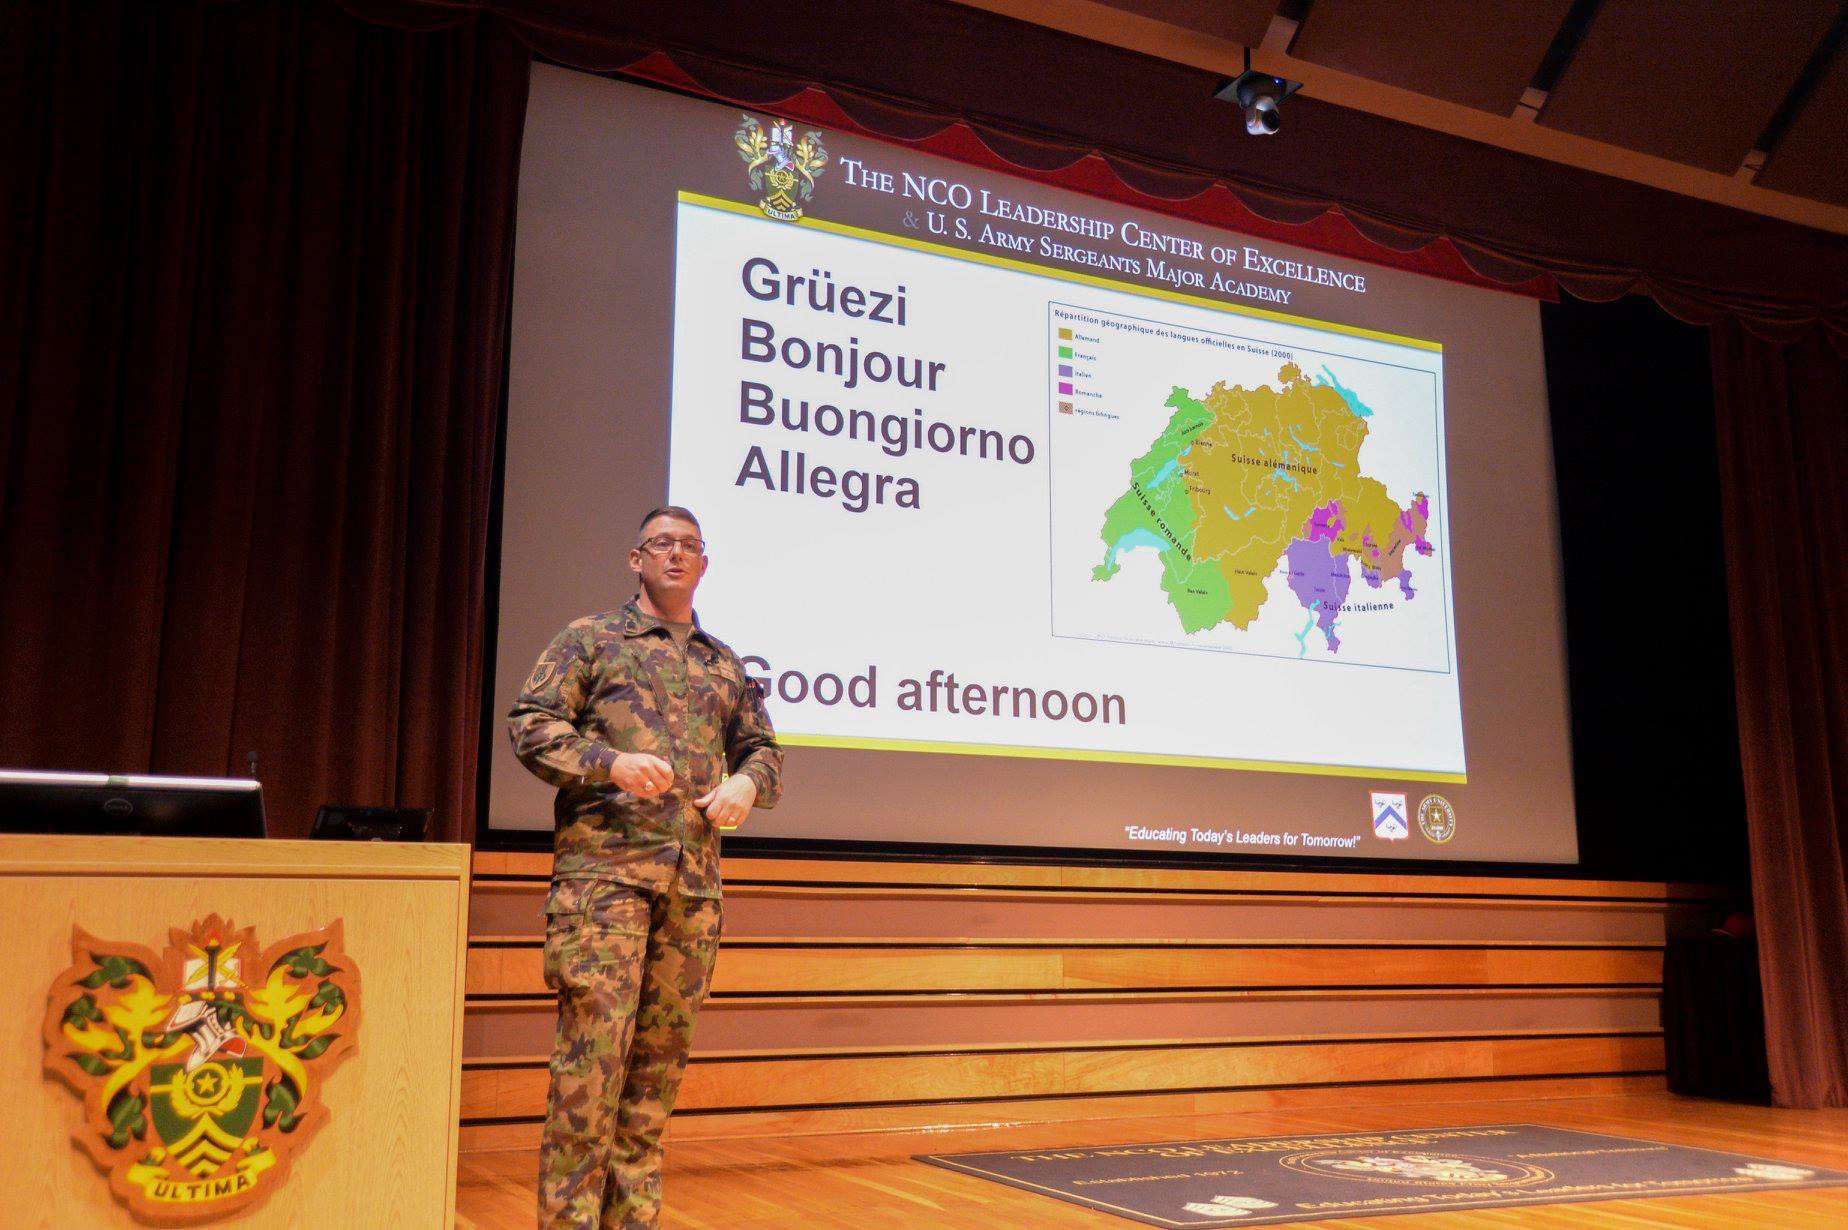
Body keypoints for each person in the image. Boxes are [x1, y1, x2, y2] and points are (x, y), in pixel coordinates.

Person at [508, 505, 782, 1229]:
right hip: (603, 884)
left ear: (704, 562)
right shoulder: (591, 640)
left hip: (691, 891)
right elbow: (531, 724)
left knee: (654, 1081)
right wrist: (610, 763)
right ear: (636, 558)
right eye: (662, 544)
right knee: (589, 1076)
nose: (675, 555)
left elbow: (763, 749)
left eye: (689, 546)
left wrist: (747, 784)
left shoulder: (723, 663)